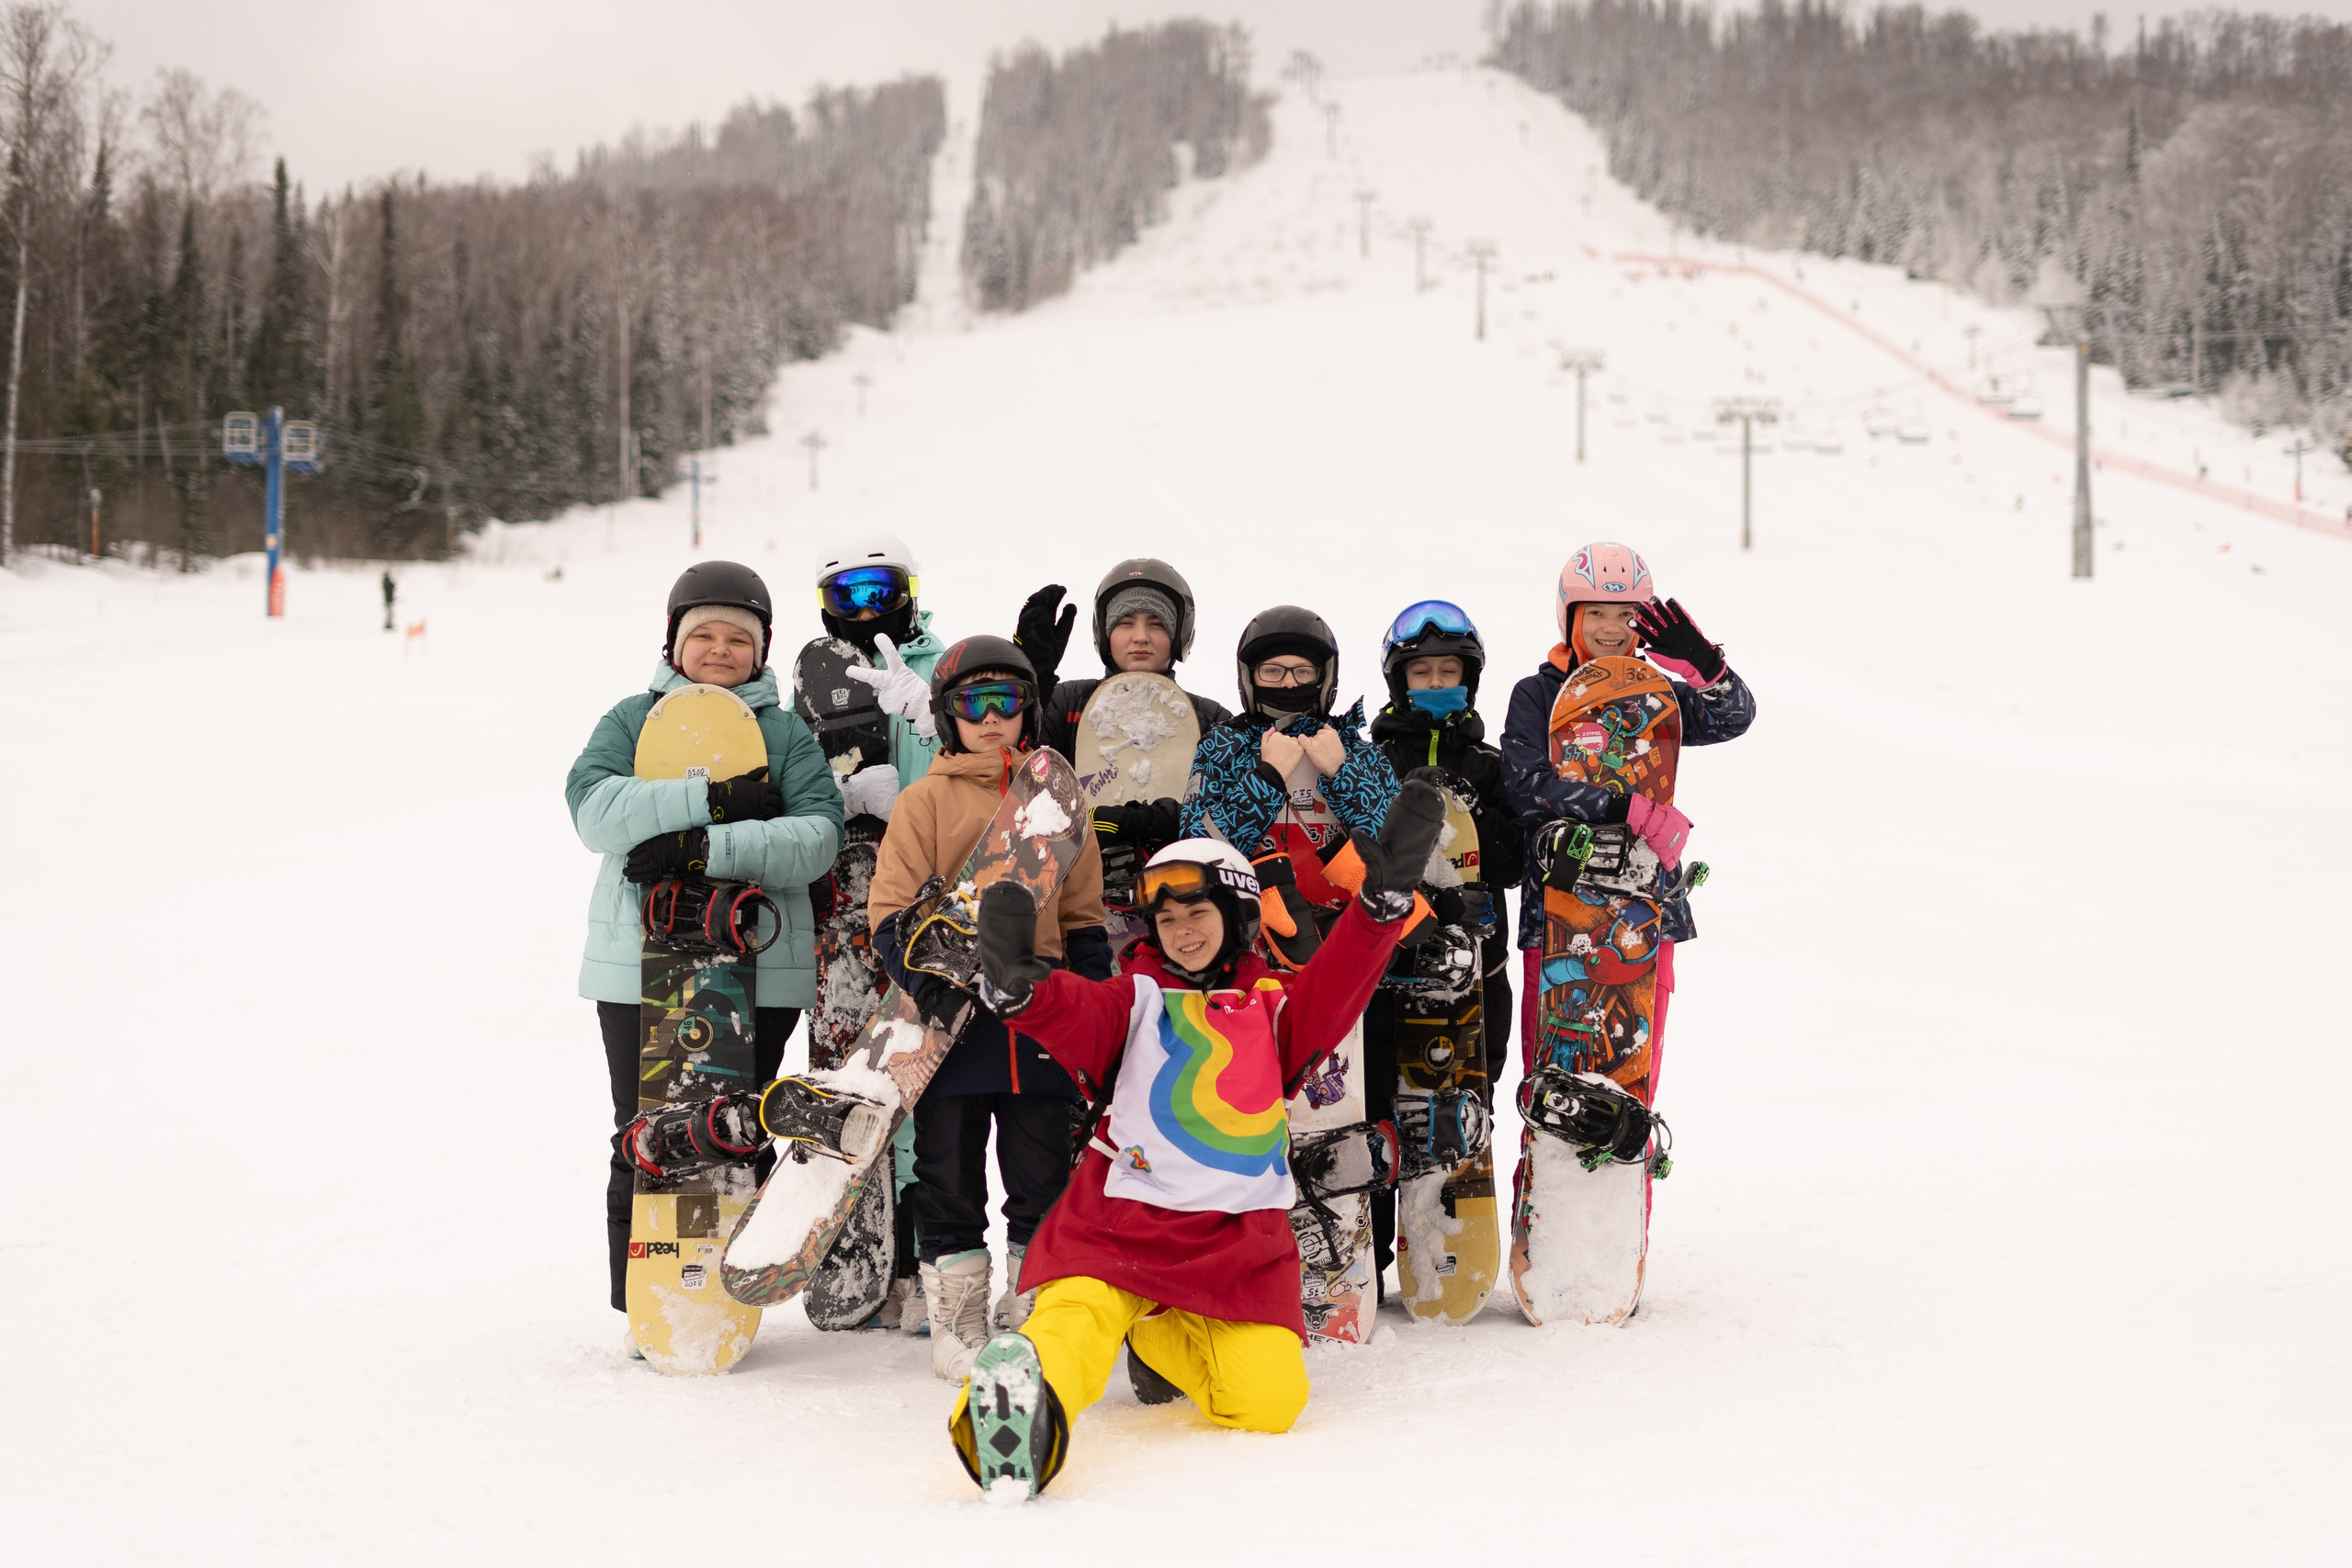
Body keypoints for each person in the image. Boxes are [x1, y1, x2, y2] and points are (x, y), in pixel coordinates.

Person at [943, 789, 1447, 1498]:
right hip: (1117, 1230)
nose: (1181, 931)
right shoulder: (1136, 999)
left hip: (1233, 1248)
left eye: (1197, 914)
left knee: (1273, 1401)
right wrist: (1026, 995)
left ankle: (1153, 1328)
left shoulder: (1275, 1012)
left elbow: (1335, 988)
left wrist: (1379, 908)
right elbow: (1079, 1011)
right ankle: (1016, 1428)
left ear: (1236, 918)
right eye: (1168, 918)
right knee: (1071, 1330)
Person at [564, 561, 845, 1353]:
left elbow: (816, 835)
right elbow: (594, 809)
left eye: (738, 638)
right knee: (645, 1123)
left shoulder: (784, 732)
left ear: (760, 651)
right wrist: (716, 799)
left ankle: (724, 1280)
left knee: (732, 1126)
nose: (719, 650)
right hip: (638, 961)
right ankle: (640, 1301)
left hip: (759, 963)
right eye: (703, 635)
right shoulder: (630, 718)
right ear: (675, 641)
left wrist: (694, 845)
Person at [865, 634, 1112, 1380]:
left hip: (1037, 1023)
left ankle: (1034, 1308)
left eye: (1009, 701)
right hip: (949, 1036)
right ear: (948, 717)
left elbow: (1084, 917)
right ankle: (958, 1322)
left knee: (1041, 1176)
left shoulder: (1059, 804)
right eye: (977, 703)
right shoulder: (926, 800)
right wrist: (929, 983)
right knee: (948, 1173)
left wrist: (1096, 1011)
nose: (994, 717)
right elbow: (889, 908)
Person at [1498, 541, 1755, 1092]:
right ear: (1570, 616)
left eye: (1627, 615)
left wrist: (1706, 667)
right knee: (1553, 1078)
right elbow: (1525, 787)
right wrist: (1627, 809)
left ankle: (1627, 1171)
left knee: (1633, 1078)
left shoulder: (1658, 695)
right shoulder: (1538, 694)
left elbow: (1734, 718)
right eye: (1597, 613)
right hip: (1562, 908)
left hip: (1647, 909)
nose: (1613, 628)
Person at [800, 530, 945, 1330]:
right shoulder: (812, 677)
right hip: (842, 899)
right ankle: (853, 1246)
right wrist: (838, 800)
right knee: (847, 1062)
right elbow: (790, 781)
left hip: (922, 893)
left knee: (920, 1073)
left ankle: (926, 1258)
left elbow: (976, 762)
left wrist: (913, 775)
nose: (865, 607)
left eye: (880, 590)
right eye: (848, 592)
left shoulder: (941, 667)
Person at [1361, 599, 1526, 1284]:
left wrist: (1476, 813)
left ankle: (1451, 1233)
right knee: (1378, 1095)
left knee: (1465, 1078)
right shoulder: (1372, 762)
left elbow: (1513, 862)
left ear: (1470, 677)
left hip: (1476, 960)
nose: (1435, 682)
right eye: (1422, 672)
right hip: (1388, 962)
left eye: (1448, 671)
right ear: (1401, 681)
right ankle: (1365, 1248)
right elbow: (1361, 855)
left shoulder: (1489, 764)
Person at [1016, 560, 1234, 937]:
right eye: (1125, 623)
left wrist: (1157, 821)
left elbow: (1231, 809)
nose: (1140, 637)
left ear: (1179, 635)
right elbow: (1021, 761)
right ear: (1105, 634)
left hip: (1180, 895)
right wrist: (1030, 679)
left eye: (1157, 624)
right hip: (1076, 892)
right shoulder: (1070, 701)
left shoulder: (1209, 717)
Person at [1177, 605, 1400, 938]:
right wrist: (1265, 779)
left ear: (1324, 677)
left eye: (1303, 672)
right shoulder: (1223, 746)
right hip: (1244, 941)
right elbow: (1194, 851)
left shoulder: (1357, 751)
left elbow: (1397, 852)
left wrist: (1343, 773)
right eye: (1273, 671)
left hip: (1345, 939)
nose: (1289, 684)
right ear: (1249, 676)